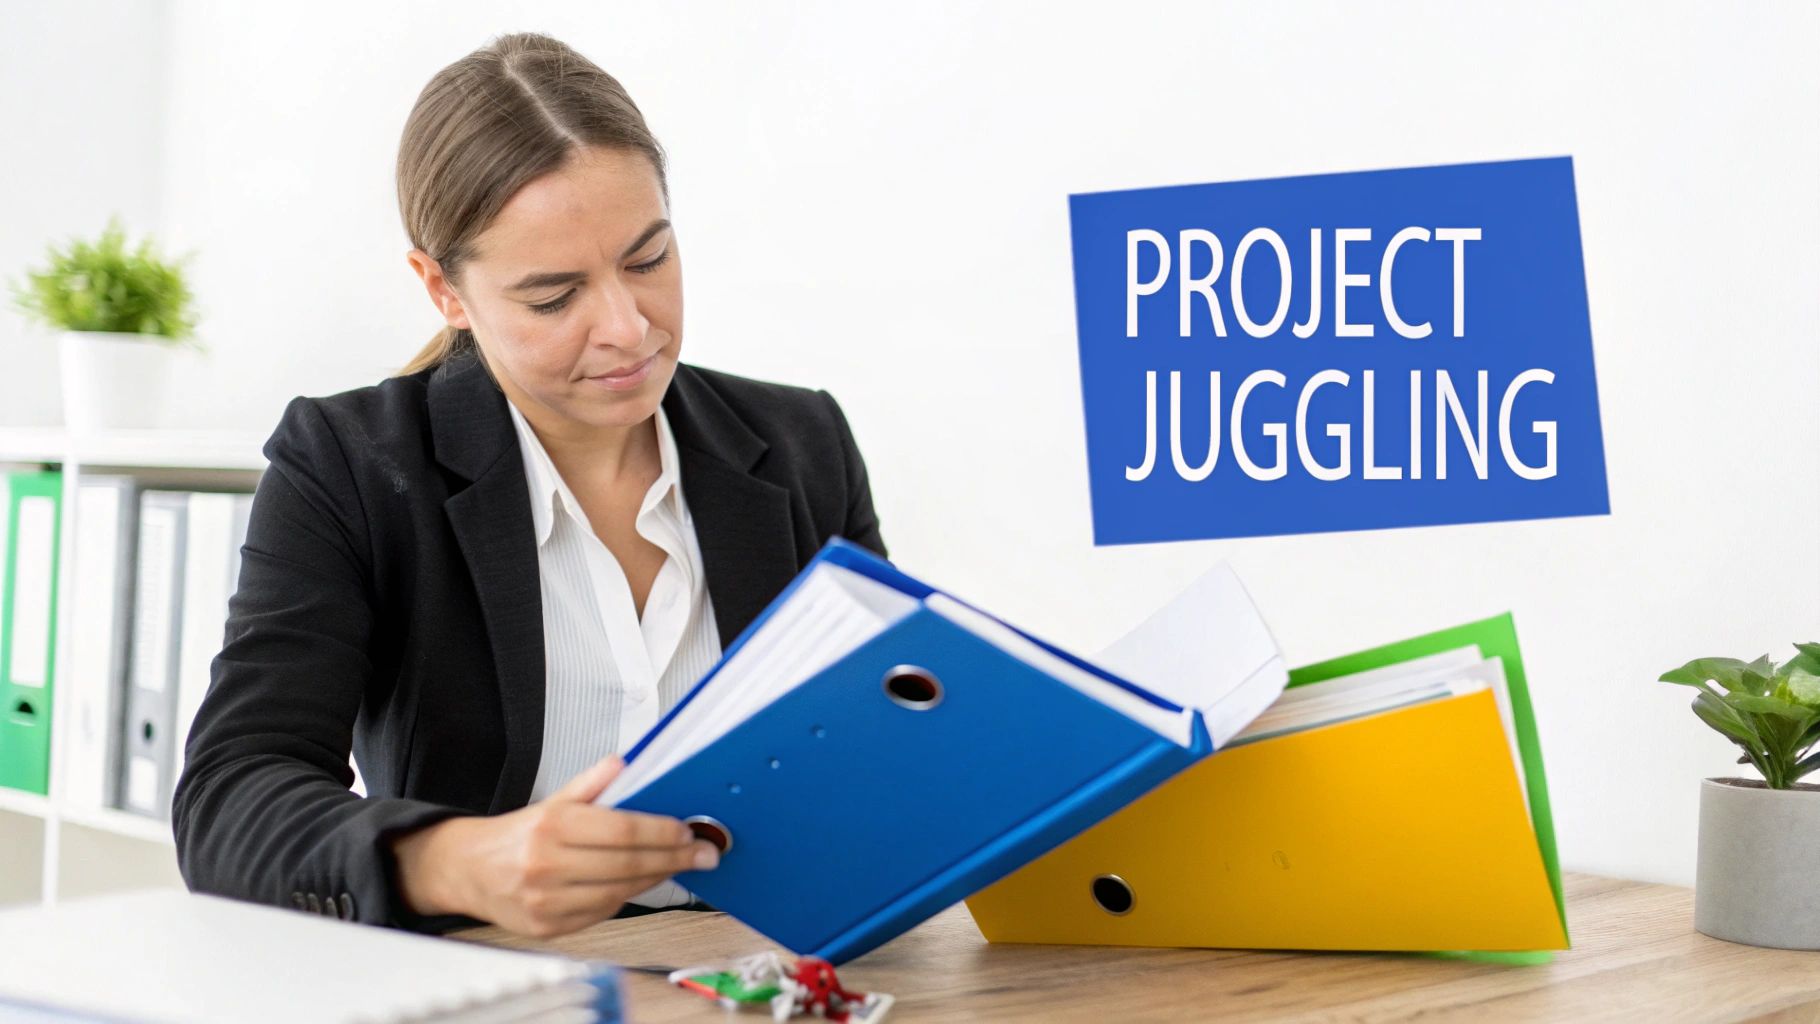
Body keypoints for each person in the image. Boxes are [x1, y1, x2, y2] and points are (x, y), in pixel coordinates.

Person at [171, 31, 887, 940]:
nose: (628, 330)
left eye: (648, 259)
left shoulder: (800, 444)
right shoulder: (351, 464)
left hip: (763, 967)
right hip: (490, 983)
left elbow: (886, 733)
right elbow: (228, 801)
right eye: (553, 297)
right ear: (445, 291)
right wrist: (461, 862)